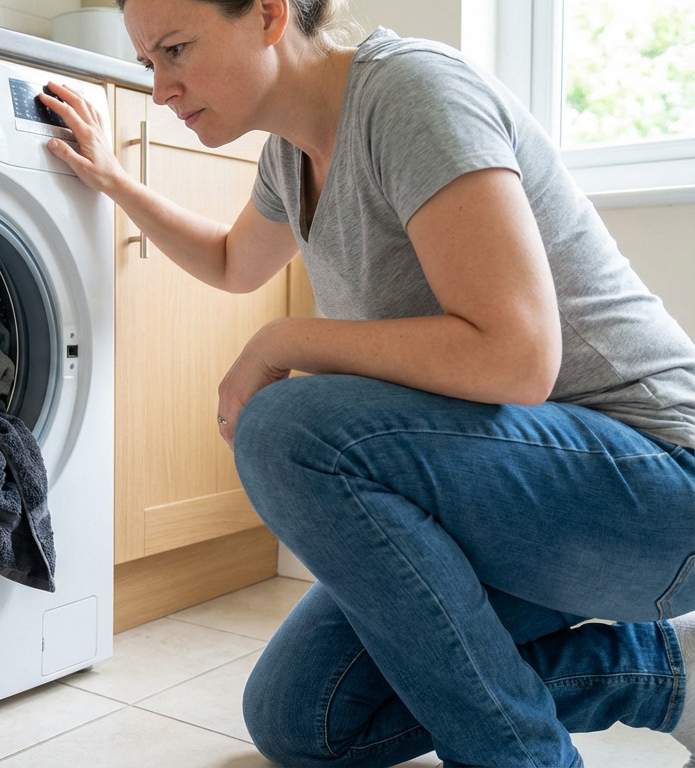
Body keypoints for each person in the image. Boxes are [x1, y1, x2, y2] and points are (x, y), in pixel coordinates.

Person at [40, 0, 695, 765]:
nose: (162, 90)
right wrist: (115, 179)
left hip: (659, 496)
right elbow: (229, 261)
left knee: (289, 429)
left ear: (268, 14)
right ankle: (665, 674)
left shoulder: (411, 94)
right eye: (150, 64)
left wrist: (286, 339)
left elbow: (517, 359)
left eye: (177, 50)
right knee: (304, 720)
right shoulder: (290, 157)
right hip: (523, 503)